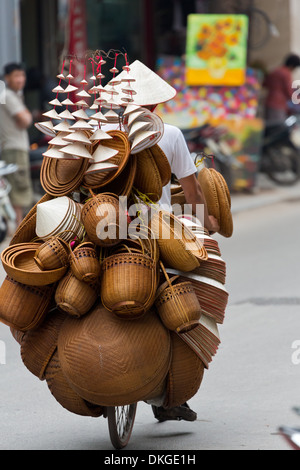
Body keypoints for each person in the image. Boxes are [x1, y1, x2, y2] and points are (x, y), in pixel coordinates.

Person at [103, 59, 219, 422]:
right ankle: (173, 394)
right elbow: (190, 187)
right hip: (160, 229)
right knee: (184, 295)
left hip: (112, 228)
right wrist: (203, 219)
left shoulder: (107, 135)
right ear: (155, 104)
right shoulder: (170, 134)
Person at [0, 63, 33, 226]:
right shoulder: (8, 95)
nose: (21, 79)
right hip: (14, 149)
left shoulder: (9, 95)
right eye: (16, 75)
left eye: (22, 75)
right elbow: (25, 119)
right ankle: (17, 231)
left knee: (14, 190)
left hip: (10, 148)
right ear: (7, 78)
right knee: (18, 191)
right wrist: (27, 114)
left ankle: (15, 230)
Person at [263, 53, 300, 122]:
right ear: (292, 66)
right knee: (278, 127)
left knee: (270, 126)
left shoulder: (275, 70)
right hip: (278, 105)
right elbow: (289, 91)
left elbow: (265, 84)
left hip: (268, 102)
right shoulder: (286, 73)